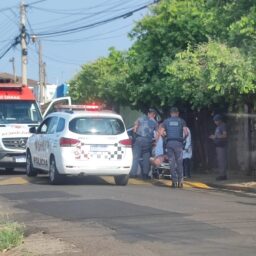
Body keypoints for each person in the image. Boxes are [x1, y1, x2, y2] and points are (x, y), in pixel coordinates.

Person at [130, 108, 157, 179]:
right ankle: (145, 174)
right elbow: (157, 133)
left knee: (135, 157)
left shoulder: (140, 119)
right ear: (154, 115)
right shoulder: (155, 122)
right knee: (146, 157)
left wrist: (135, 132)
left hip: (139, 139)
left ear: (148, 114)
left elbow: (135, 127)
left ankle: (133, 173)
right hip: (148, 141)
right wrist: (155, 141)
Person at [163, 107, 186, 188]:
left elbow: (161, 132)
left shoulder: (166, 121)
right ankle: (181, 182)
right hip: (178, 143)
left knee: (171, 162)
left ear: (170, 113)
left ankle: (174, 182)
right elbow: (186, 132)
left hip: (169, 143)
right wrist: (183, 140)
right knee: (179, 162)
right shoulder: (181, 121)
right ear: (177, 113)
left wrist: (165, 138)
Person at [209, 114, 228, 180]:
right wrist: (214, 137)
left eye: (216, 121)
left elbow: (225, 135)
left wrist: (215, 137)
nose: (215, 122)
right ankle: (221, 174)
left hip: (222, 146)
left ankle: (223, 175)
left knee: (222, 161)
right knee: (220, 161)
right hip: (218, 146)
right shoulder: (218, 127)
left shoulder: (223, 126)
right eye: (214, 121)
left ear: (219, 120)